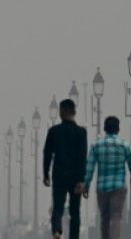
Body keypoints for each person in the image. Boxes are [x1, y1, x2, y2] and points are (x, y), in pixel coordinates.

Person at [78, 116, 131, 239]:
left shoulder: (96, 146)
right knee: (116, 217)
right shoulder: (125, 146)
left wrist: (86, 186)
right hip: (119, 187)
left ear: (105, 129)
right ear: (118, 129)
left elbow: (89, 168)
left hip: (102, 188)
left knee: (104, 218)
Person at [42, 99, 88, 239]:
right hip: (75, 176)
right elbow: (82, 157)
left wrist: (46, 174)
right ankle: (74, 236)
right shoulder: (81, 133)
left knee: (58, 206)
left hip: (59, 174)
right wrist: (81, 179)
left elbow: (47, 153)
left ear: (61, 113)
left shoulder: (54, 131)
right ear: (74, 113)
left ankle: (57, 231)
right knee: (75, 211)